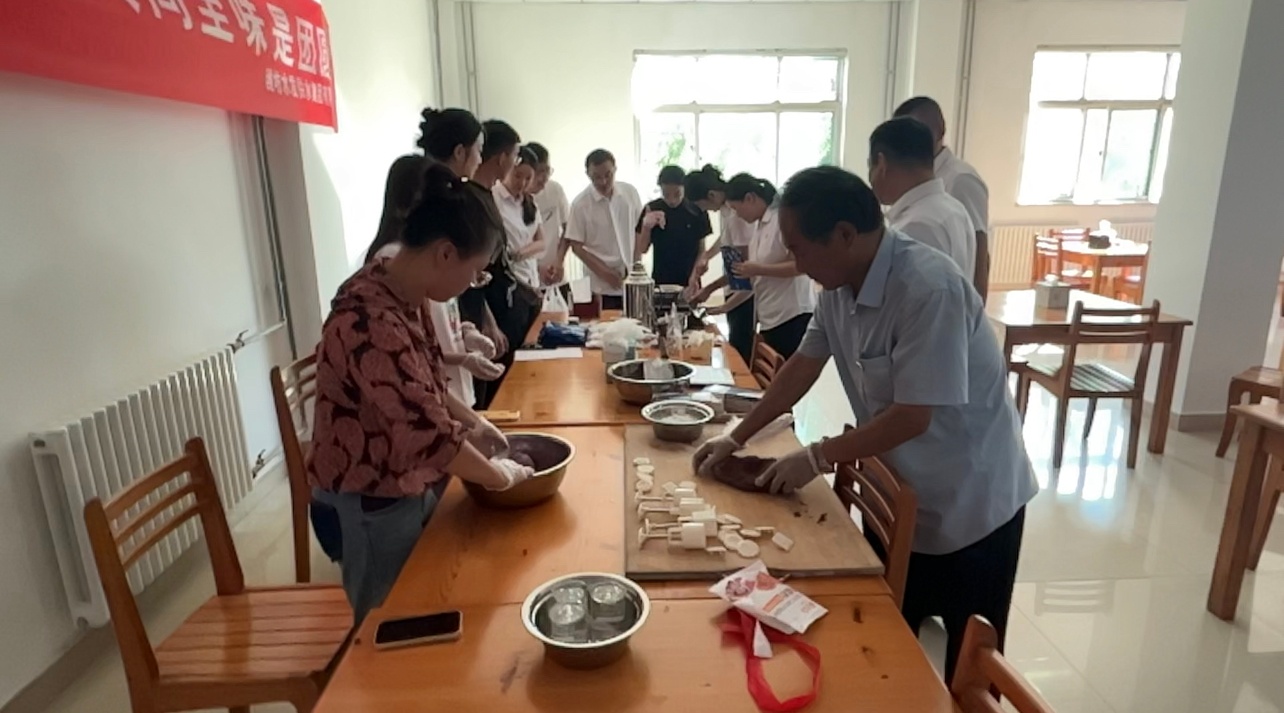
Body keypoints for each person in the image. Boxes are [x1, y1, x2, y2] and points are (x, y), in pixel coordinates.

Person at [694, 166, 1036, 684]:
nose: (796, 264)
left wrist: (816, 456)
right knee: (886, 648)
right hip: (902, 495)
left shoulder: (927, 288)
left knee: (968, 666)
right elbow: (802, 366)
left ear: (845, 235)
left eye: (800, 250)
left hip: (972, 501)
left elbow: (913, 415)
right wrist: (736, 435)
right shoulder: (838, 286)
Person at [309, 162, 535, 623]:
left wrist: (474, 422)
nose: (472, 285)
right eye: (475, 273)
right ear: (445, 254)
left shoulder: (402, 290)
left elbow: (426, 379)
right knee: (390, 624)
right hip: (368, 497)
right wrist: (499, 477)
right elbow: (426, 436)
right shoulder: (370, 321)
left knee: (434, 591)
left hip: (403, 484)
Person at [363, 155, 504, 410]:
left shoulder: (419, 285)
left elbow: (429, 355)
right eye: (475, 272)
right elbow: (416, 408)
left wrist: (466, 333)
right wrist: (462, 359)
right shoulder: (391, 286)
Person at [415, 107, 507, 356]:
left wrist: (465, 333)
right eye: (479, 150)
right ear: (459, 152)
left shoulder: (457, 198)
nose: (480, 159)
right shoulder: (438, 207)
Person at [693, 173, 814, 359]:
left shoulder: (781, 221)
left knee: (783, 371)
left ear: (750, 198)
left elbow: (801, 266)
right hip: (770, 316)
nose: (737, 215)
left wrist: (758, 269)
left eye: (737, 209)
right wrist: (724, 307)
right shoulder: (759, 227)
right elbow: (751, 279)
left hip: (791, 315)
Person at [464, 119, 541, 409]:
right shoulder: (470, 199)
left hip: (506, 305)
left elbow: (500, 263)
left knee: (509, 388)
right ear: (502, 158)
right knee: (488, 396)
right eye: (515, 155)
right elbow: (473, 273)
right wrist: (487, 320)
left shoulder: (486, 196)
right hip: (485, 313)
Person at [893, 96, 991, 301]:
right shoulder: (914, 176)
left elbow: (980, 248)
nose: (908, 141)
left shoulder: (960, 179)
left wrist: (976, 310)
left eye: (916, 131)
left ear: (939, 130)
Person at [869, 117, 976, 281]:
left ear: (882, 165)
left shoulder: (916, 226)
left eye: (870, 166)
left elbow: (916, 292)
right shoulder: (955, 208)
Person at [684, 165, 756, 364]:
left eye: (703, 206)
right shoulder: (726, 211)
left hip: (746, 291)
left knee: (740, 347)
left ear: (712, 195)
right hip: (736, 285)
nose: (705, 210)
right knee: (735, 338)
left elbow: (743, 267)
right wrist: (706, 256)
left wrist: (709, 289)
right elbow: (726, 239)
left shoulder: (736, 215)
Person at [559, 149, 643, 311]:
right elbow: (576, 246)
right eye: (596, 177)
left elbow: (639, 231)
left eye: (608, 175)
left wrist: (636, 265)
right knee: (604, 325)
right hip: (599, 286)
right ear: (588, 175)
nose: (603, 182)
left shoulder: (630, 193)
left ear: (615, 169)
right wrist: (604, 272)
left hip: (632, 281)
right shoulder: (580, 204)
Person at [634, 165, 712, 287]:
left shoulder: (696, 210)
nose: (671, 200)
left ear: (684, 188)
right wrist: (646, 227)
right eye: (666, 194)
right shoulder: (652, 208)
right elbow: (642, 249)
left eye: (677, 194)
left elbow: (701, 249)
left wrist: (695, 276)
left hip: (690, 279)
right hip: (661, 280)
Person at [495, 145, 546, 291]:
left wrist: (522, 253)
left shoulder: (530, 202)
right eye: (517, 176)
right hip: (508, 280)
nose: (522, 183)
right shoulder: (495, 197)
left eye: (528, 178)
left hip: (531, 278)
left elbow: (541, 241)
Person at [528, 142, 572, 289]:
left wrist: (559, 260)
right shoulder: (517, 198)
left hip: (557, 274)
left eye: (547, 171)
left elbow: (568, 228)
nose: (544, 177)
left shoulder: (555, 189)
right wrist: (537, 268)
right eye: (539, 172)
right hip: (529, 280)